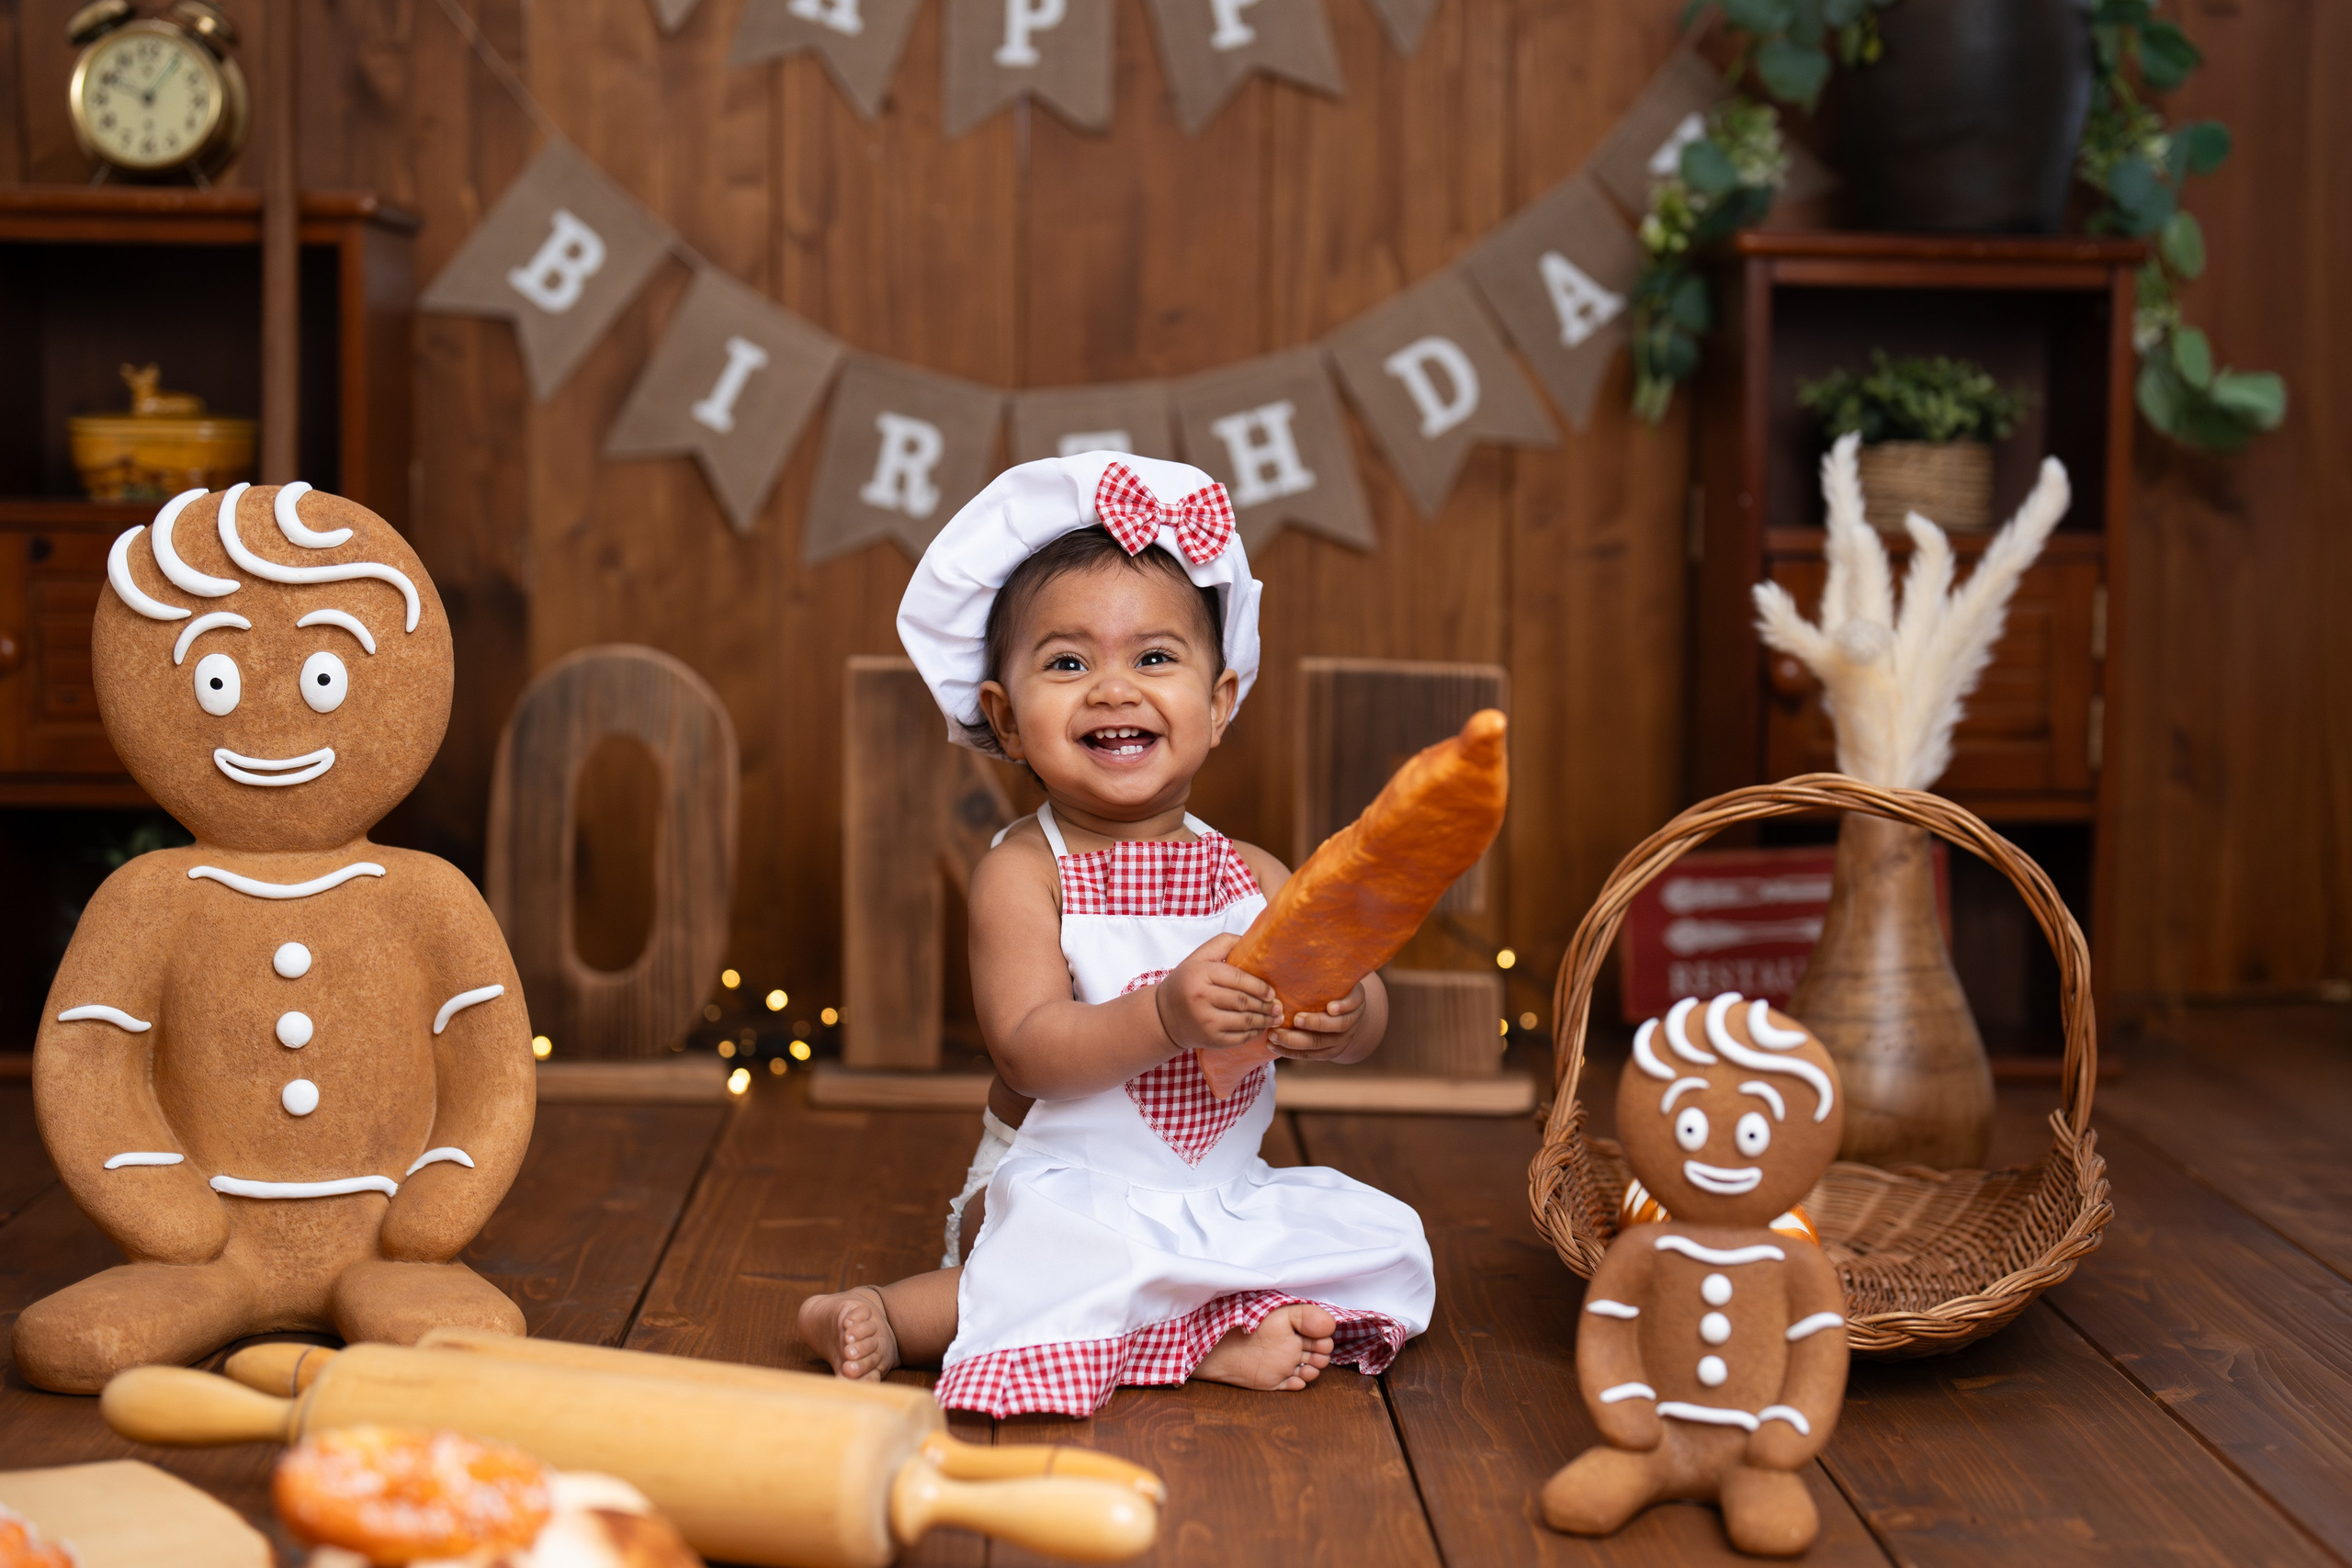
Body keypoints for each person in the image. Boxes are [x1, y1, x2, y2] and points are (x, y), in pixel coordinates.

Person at [797, 453, 1435, 1418]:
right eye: (1067, 661)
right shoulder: (1024, 873)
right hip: (1063, 1189)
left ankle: (1191, 1326)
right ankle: (890, 1314)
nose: (1112, 688)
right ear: (1006, 721)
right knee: (1054, 1269)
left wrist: (1344, 1017)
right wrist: (1167, 1015)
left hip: (1212, 1188)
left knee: (1376, 1241)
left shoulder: (1252, 873)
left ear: (1217, 705)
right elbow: (1031, 1050)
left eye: (1153, 657)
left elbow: (1352, 997)